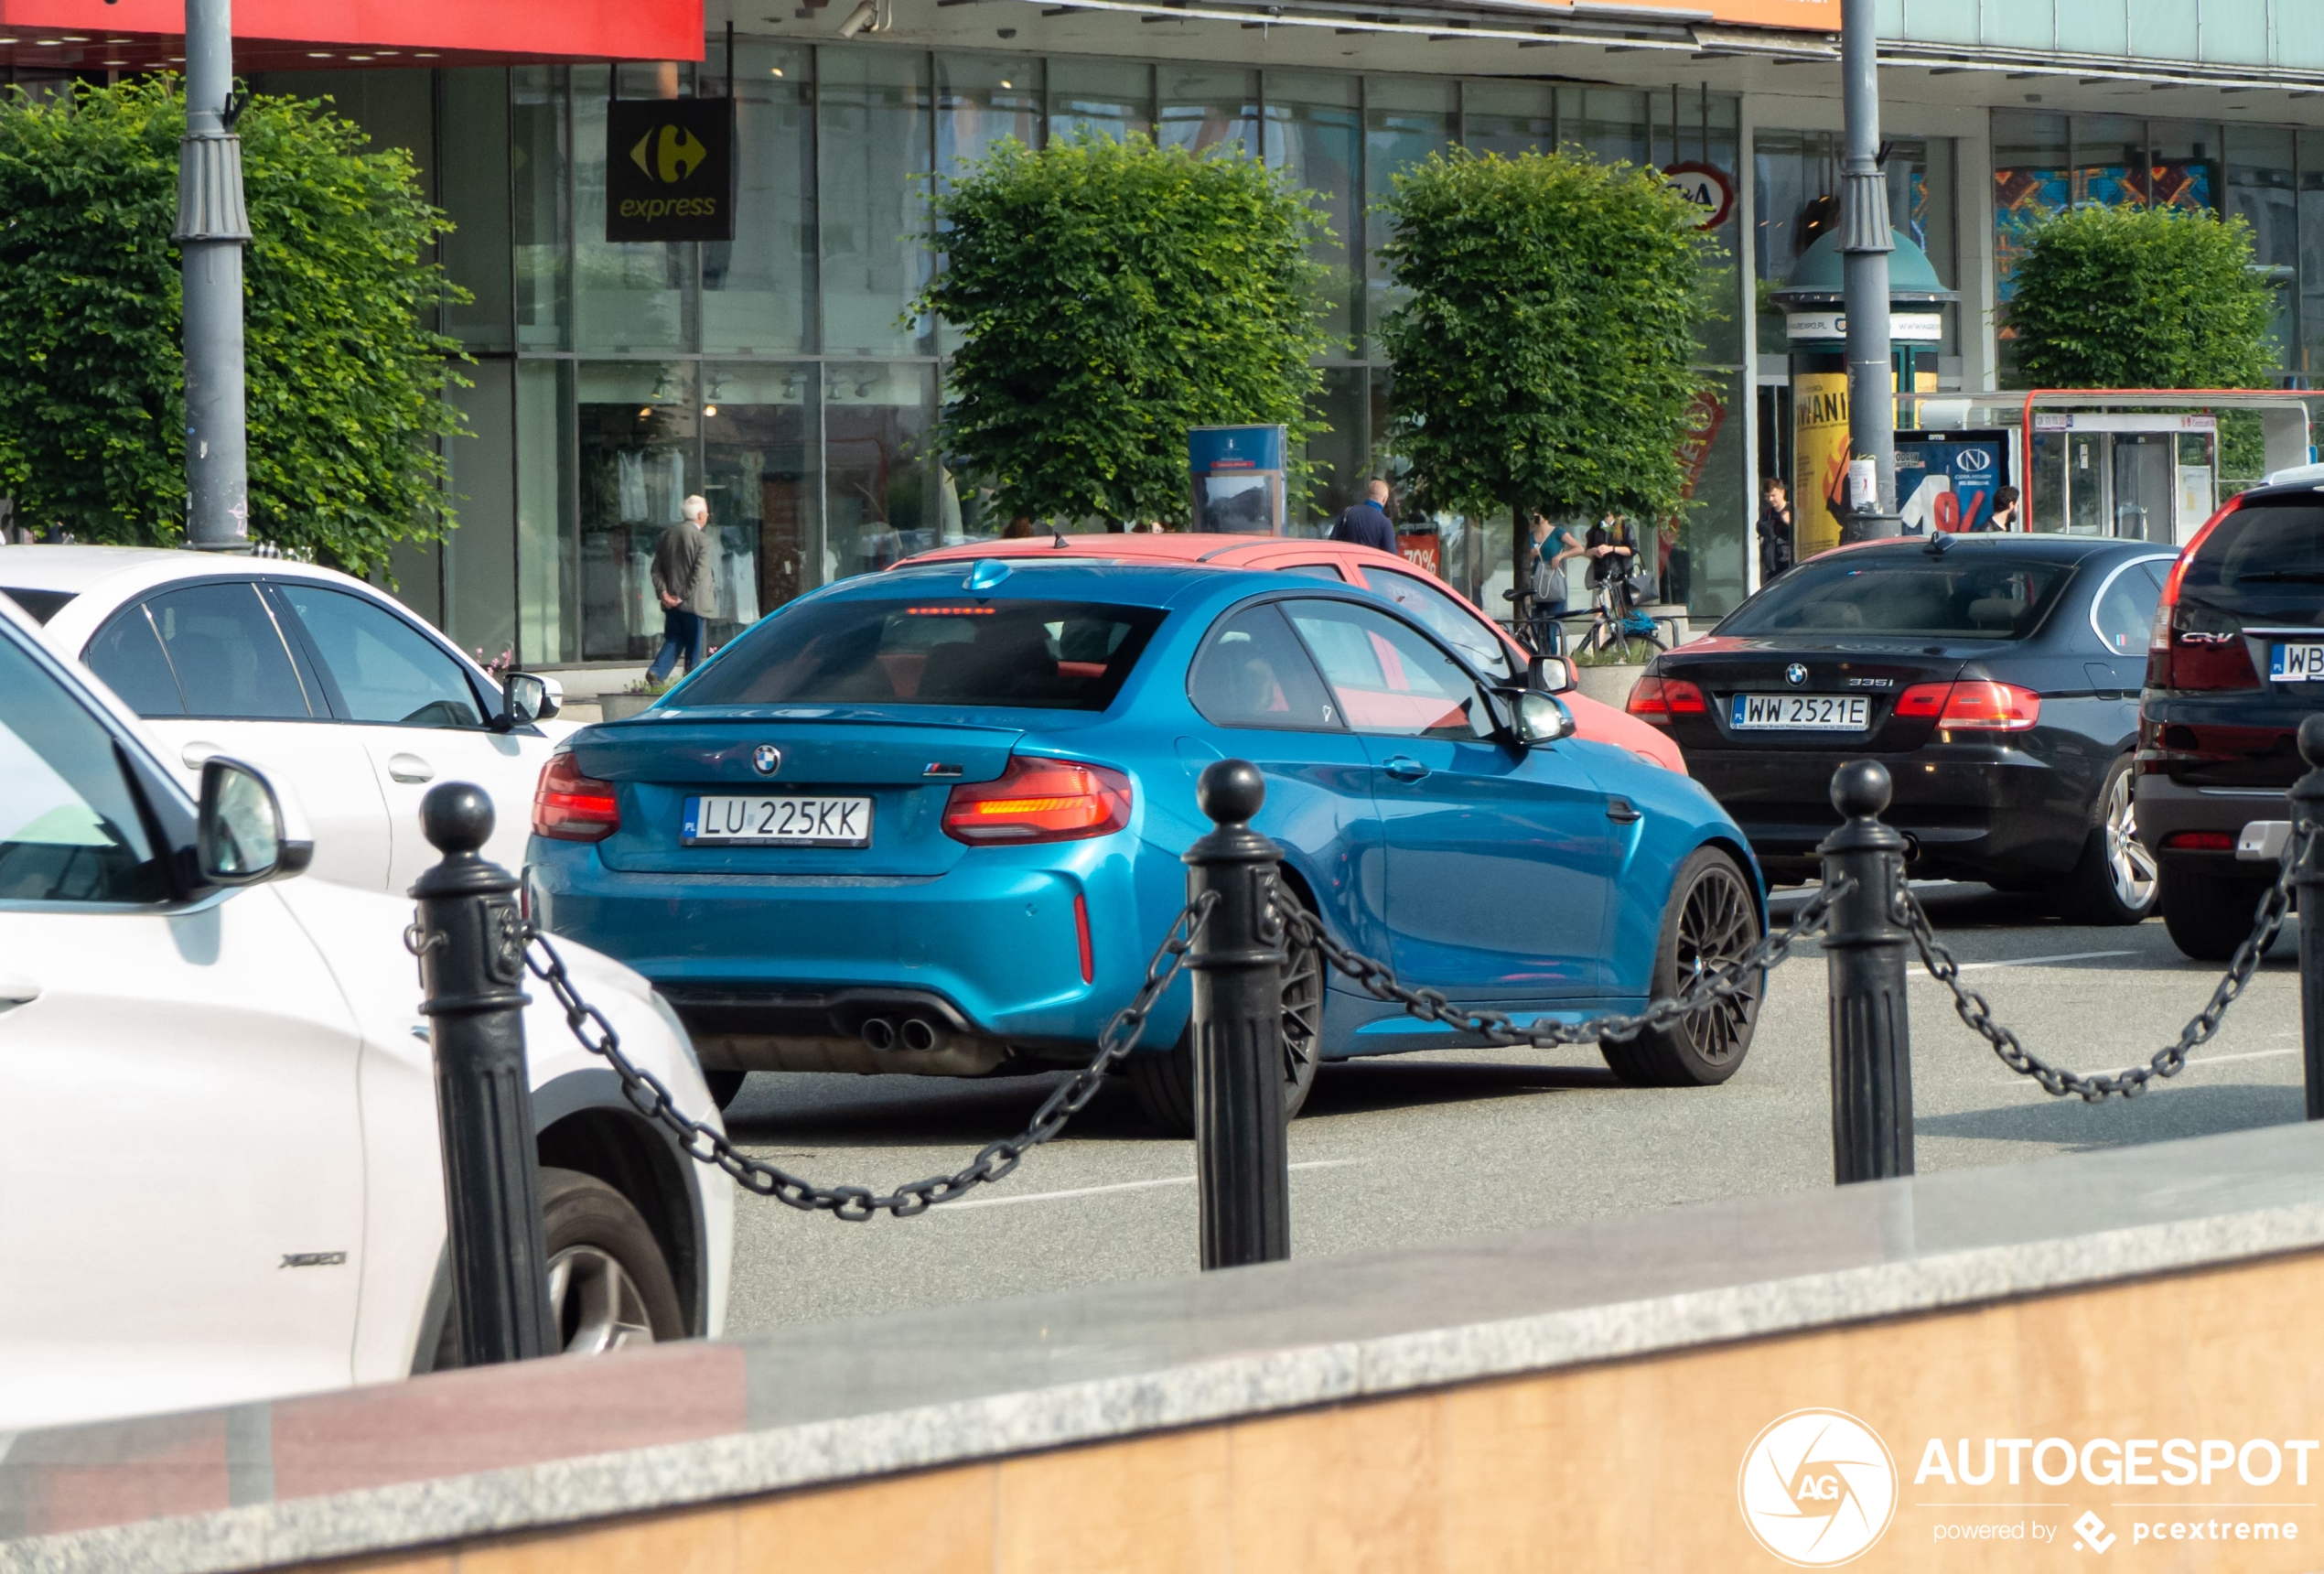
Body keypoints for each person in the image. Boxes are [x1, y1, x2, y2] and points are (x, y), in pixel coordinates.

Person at [648, 494, 716, 683]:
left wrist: (664, 594)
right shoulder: (702, 540)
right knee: (694, 646)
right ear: (700, 515)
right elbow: (699, 574)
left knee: (674, 637)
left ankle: (657, 672)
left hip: (671, 603)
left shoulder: (666, 535)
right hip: (694, 603)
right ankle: (690, 681)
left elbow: (656, 569)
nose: (708, 516)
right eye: (707, 513)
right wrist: (680, 597)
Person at [1528, 512, 1585, 652]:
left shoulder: (1557, 531)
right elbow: (1523, 559)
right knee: (1536, 628)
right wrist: (1531, 555)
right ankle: (1541, 658)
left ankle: (1552, 660)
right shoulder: (1529, 536)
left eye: (1539, 512)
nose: (1536, 515)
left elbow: (1579, 548)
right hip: (1537, 584)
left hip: (1553, 583)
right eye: (1534, 513)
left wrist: (1561, 556)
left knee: (1551, 629)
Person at [1329, 479, 1400, 554]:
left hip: (1347, 563)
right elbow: (1391, 557)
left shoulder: (1347, 513)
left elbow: (1332, 543)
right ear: (1385, 499)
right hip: (1369, 565)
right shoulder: (1385, 524)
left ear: (1367, 494)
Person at [1756, 477, 1796, 583]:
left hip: (1790, 562)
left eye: (1773, 495)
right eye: (1767, 497)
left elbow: (1801, 533)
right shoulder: (1767, 513)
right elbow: (1762, 528)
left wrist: (1789, 523)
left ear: (1782, 492)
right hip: (1773, 565)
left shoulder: (1793, 509)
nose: (1770, 500)